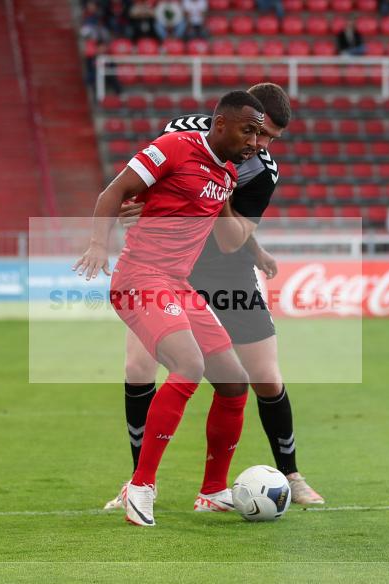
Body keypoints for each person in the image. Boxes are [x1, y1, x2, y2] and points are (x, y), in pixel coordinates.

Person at [103, 83, 325, 513]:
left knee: (262, 375)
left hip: (226, 269)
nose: (262, 145)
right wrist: (141, 201)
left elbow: (234, 237)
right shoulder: (185, 131)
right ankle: (138, 483)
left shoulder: (263, 171)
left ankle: (292, 475)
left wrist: (251, 243)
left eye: (271, 139)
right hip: (164, 265)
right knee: (137, 368)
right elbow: (153, 172)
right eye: (259, 133)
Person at [74, 91, 265, 527]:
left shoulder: (229, 174)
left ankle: (213, 491)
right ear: (220, 124)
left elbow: (202, 219)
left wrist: (256, 250)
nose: (256, 141)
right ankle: (141, 486)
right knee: (188, 364)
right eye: (249, 130)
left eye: (260, 133)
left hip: (178, 286)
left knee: (234, 382)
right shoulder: (174, 148)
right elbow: (114, 190)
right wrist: (98, 244)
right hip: (139, 278)